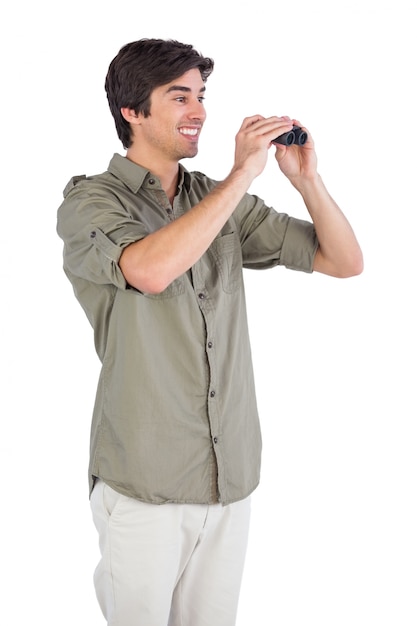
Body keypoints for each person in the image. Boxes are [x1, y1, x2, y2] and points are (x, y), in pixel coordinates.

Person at [56, 38, 363, 626]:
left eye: (201, 95)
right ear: (132, 112)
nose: (198, 111)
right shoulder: (90, 200)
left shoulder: (215, 201)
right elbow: (148, 270)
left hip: (229, 477)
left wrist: (307, 182)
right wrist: (242, 175)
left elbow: (344, 260)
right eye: (178, 97)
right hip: (145, 478)